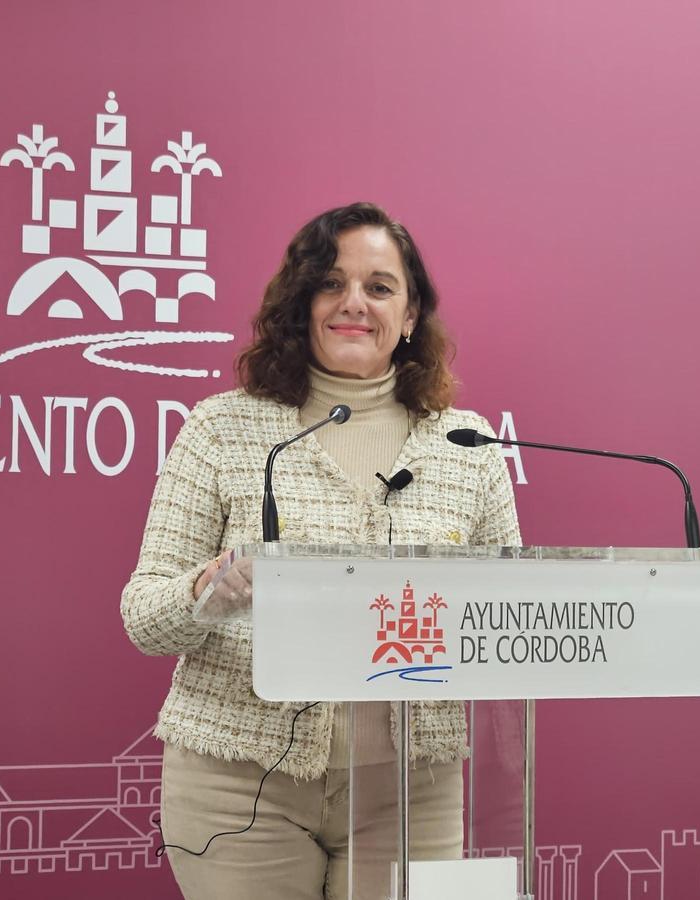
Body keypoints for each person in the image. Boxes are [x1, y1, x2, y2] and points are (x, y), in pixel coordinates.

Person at [120, 202, 521, 900]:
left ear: (410, 311)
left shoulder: (470, 448)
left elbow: (510, 615)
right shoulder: (225, 429)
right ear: (302, 303)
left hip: (410, 794)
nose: (353, 305)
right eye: (331, 284)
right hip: (239, 789)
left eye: (379, 287)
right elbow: (144, 615)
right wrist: (207, 593)